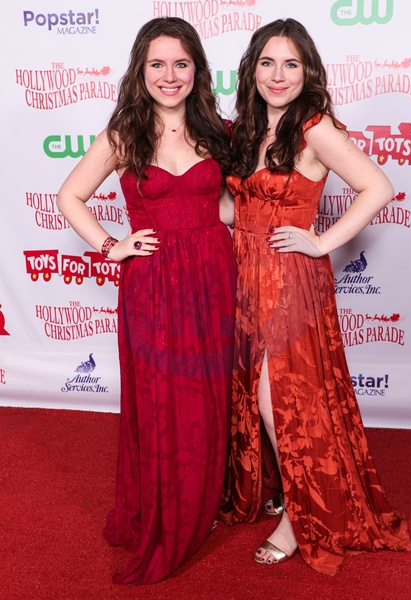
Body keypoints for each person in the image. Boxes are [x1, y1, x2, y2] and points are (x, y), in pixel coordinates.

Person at [219, 18, 411, 575]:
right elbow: (235, 208)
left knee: (280, 399)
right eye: (267, 63)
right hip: (244, 274)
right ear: (252, 70)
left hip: (290, 279)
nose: (278, 75)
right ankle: (285, 490)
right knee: (257, 395)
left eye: (291, 64)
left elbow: (378, 186)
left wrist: (322, 240)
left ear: (308, 72)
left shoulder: (315, 128)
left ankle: (298, 518)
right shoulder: (247, 129)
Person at [57, 17, 236, 584]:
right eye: (157, 64)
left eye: (181, 64)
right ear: (140, 70)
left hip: (212, 277)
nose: (169, 75)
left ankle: (201, 498)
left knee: (206, 395)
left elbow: (234, 204)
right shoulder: (124, 134)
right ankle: (162, 509)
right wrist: (112, 246)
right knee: (159, 397)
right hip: (151, 282)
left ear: (197, 71)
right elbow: (70, 195)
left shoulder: (219, 132)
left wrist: (224, 226)